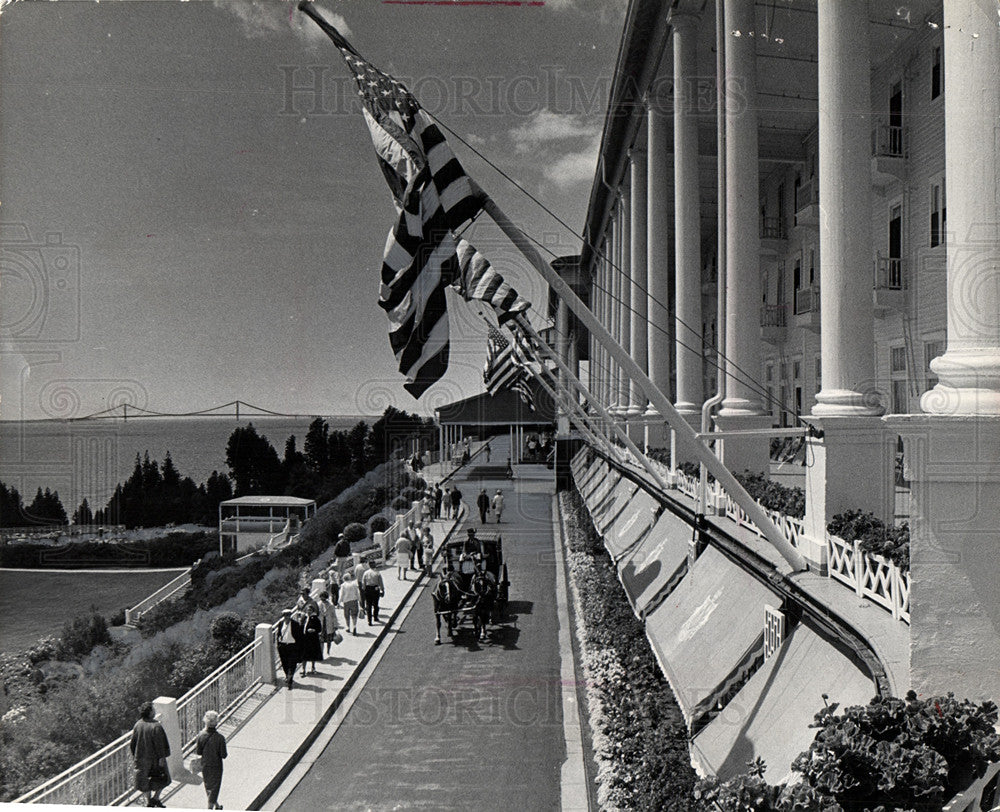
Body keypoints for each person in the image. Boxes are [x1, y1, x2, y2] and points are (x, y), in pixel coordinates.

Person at [130, 701, 170, 808]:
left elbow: (133, 743)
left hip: (141, 759)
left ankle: (149, 801)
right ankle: (155, 798)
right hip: (155, 760)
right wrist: (162, 758)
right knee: (162, 778)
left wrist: (136, 756)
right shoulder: (156, 726)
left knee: (144, 782)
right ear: (150, 712)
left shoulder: (137, 725)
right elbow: (160, 745)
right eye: (153, 709)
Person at [195, 710, 227, 810]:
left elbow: (199, 752)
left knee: (209, 787)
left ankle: (216, 805)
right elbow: (223, 755)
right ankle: (209, 808)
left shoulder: (200, 735)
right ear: (216, 722)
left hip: (205, 765)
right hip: (216, 766)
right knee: (215, 788)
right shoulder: (220, 738)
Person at [275, 608, 303, 689]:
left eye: (288, 615)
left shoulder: (295, 624)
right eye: (285, 615)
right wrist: (278, 644)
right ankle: (287, 675)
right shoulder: (280, 623)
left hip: (292, 646)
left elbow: (299, 637)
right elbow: (279, 634)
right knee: (284, 663)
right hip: (283, 646)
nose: (286, 617)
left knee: (292, 663)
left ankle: (290, 679)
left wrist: (299, 648)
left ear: (290, 616)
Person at [300, 604, 323, 676]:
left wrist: (313, 630)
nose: (308, 611)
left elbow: (319, 629)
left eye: (310, 610)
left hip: (312, 639)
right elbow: (301, 626)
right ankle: (303, 669)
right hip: (305, 638)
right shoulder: (304, 618)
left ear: (312, 611)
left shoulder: (315, 619)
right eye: (307, 610)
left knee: (313, 654)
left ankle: (313, 668)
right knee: (304, 655)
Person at [361, 560, 385, 625]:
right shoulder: (377, 573)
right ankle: (375, 617)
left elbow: (363, 583)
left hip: (368, 589)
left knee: (368, 605)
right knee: (376, 604)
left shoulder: (366, 573)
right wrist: (382, 590)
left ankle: (369, 620)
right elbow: (380, 583)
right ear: (375, 565)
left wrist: (363, 590)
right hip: (375, 589)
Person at [318, 590, 340, 655]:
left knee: (329, 640)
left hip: (329, 623)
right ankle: (321, 653)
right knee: (321, 640)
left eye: (324, 597)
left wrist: (335, 625)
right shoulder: (318, 604)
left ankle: (328, 650)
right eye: (321, 597)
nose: (322, 598)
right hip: (321, 624)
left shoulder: (331, 605)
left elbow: (334, 616)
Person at [339, 571, 360, 635]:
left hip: (346, 602)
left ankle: (348, 627)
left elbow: (341, 594)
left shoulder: (343, 585)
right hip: (354, 601)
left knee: (347, 615)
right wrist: (359, 600)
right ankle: (354, 626)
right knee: (354, 615)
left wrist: (339, 602)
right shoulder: (354, 584)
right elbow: (357, 593)